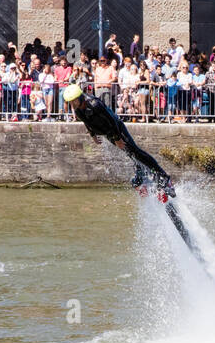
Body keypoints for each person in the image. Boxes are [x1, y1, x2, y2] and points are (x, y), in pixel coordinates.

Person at [61, 82, 200, 257]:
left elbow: (111, 120)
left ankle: (164, 178)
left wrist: (117, 137)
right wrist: (92, 134)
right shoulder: (79, 109)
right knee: (131, 155)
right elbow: (87, 122)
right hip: (108, 134)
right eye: (71, 102)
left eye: (75, 100)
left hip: (116, 130)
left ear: (81, 96)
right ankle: (141, 175)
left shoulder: (94, 104)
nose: (73, 104)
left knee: (135, 151)